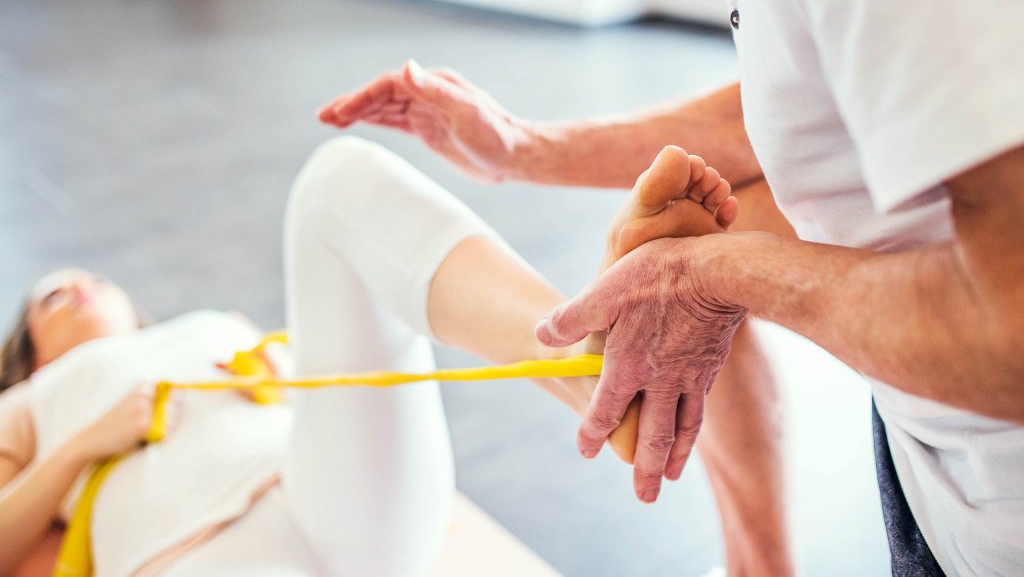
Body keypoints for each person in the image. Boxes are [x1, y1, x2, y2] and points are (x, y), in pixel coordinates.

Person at [319, 0, 1024, 574]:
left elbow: (1013, 323)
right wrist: (520, 146)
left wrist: (714, 277)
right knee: (704, 231)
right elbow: (814, 89)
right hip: (937, 461)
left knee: (339, 185)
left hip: (997, 516)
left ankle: (602, 376)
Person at [0, 136, 734, 576]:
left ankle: (582, 357)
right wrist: (77, 447)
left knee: (334, 179)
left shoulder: (208, 328)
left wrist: (280, 381)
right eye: (51, 298)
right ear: (31, 357)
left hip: (332, 488)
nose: (78, 287)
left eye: (90, 279)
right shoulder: (34, 403)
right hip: (203, 553)